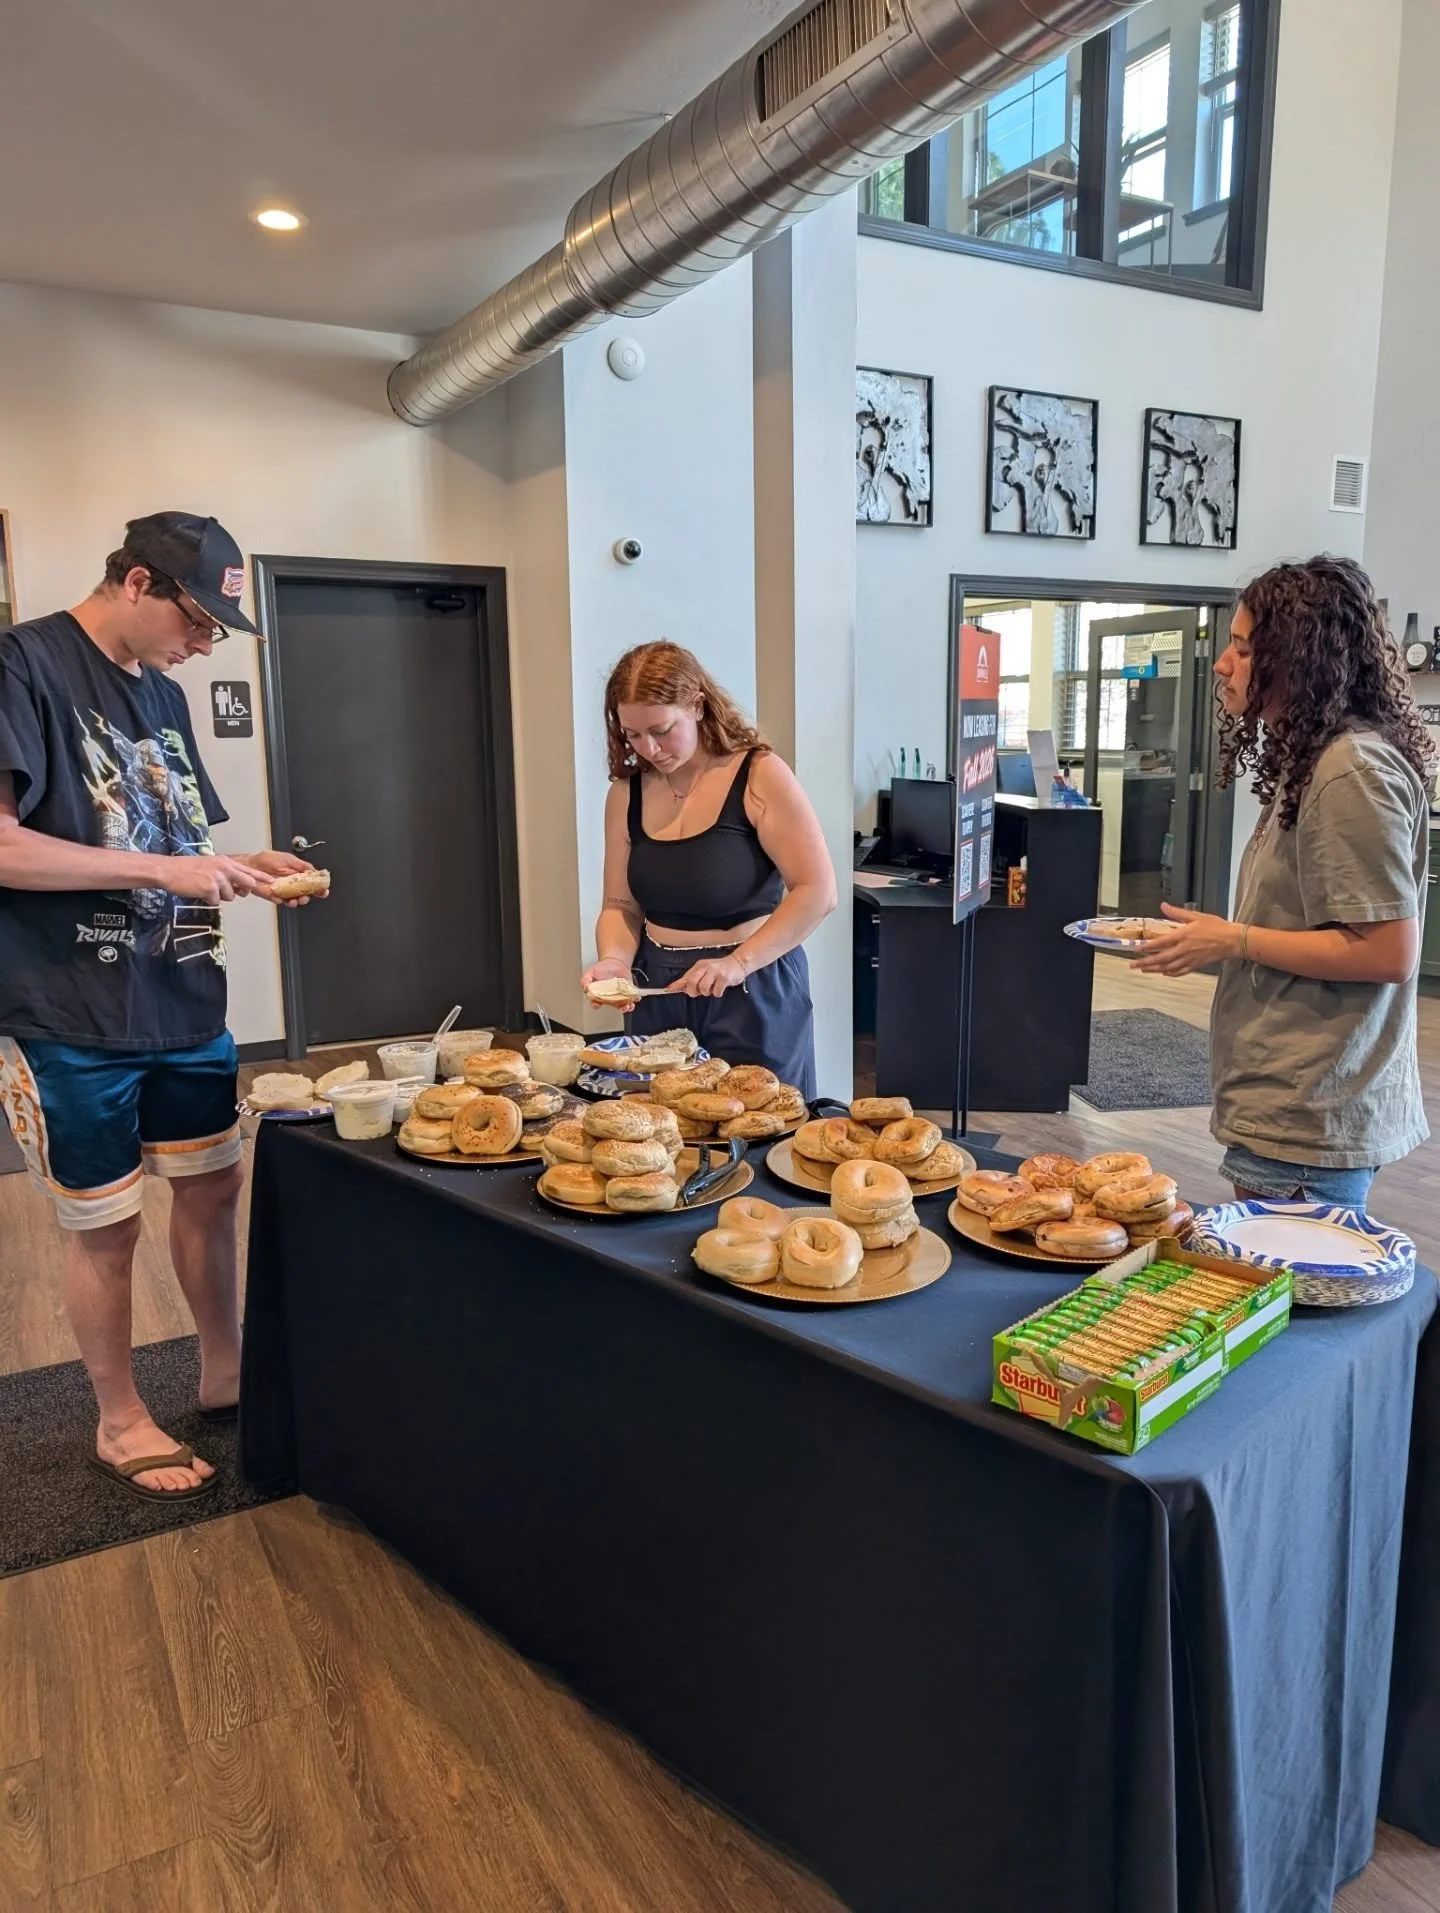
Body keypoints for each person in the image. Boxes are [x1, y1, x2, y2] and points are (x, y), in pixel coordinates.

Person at [0, 512, 319, 1499]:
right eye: (197, 617)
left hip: (182, 992)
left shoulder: (165, 696)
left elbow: (175, 835)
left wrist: (243, 863)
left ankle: (222, 1370)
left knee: (214, 1185)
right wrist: (166, 867)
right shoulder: (24, 663)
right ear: (137, 582)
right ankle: (120, 1416)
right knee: (106, 1225)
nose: (206, 641)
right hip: (69, 1006)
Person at [1135, 556, 1433, 1205]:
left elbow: (1388, 950)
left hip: (1309, 1124)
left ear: (1298, 660)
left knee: (1286, 1302)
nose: (1222, 663)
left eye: (1242, 649)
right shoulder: (1317, 758)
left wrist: (1233, 940)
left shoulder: (1349, 771)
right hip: (1288, 1111)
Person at [580, 641, 837, 1096]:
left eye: (662, 729)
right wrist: (614, 961)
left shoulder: (759, 773)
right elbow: (620, 904)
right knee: (660, 1136)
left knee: (759, 1133)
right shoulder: (626, 794)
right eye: (633, 735)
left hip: (752, 987)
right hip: (657, 988)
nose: (650, 748)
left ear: (697, 706)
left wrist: (738, 963)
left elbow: (816, 891)